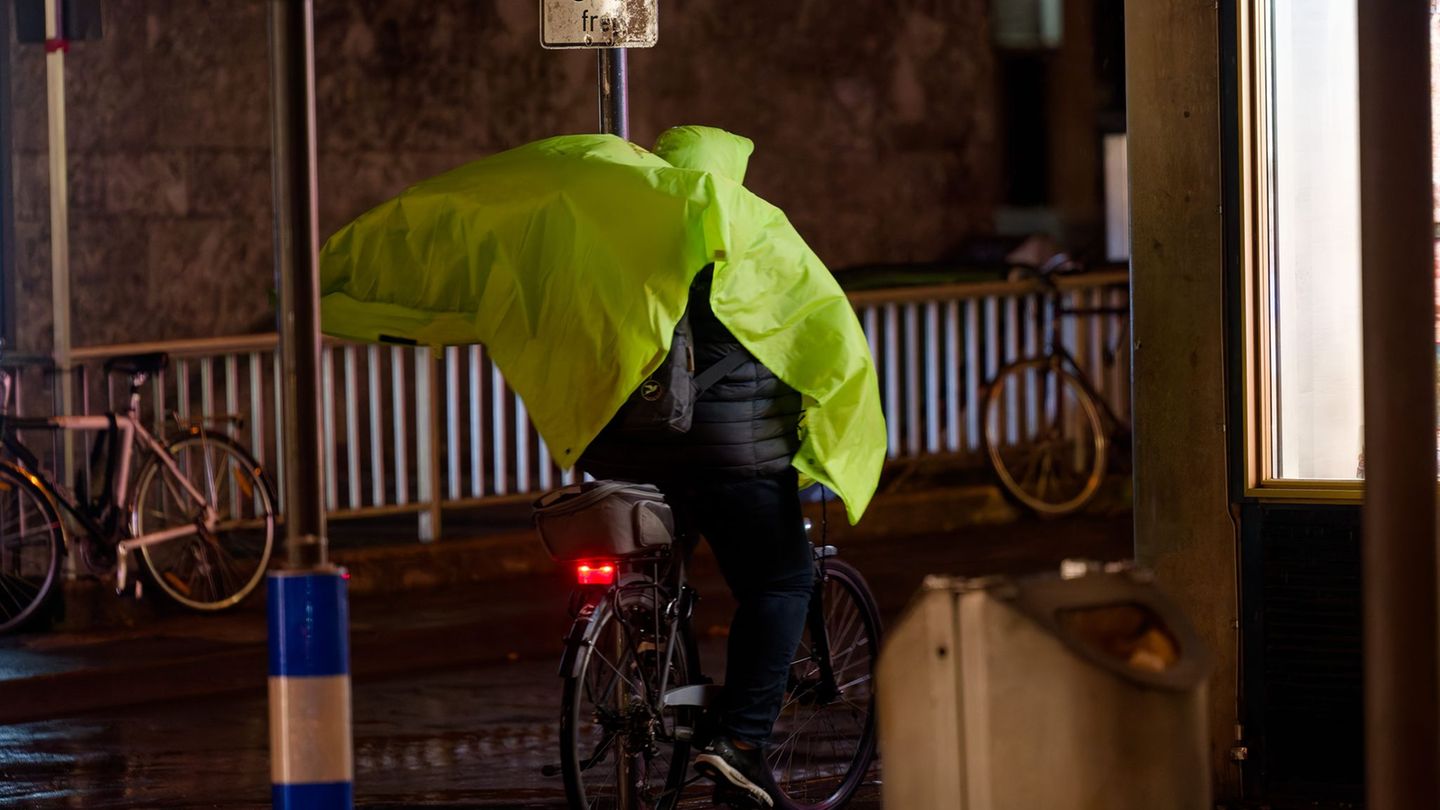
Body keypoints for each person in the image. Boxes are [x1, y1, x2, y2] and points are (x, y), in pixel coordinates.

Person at [318, 123, 885, 805]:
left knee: (672, 567)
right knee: (781, 582)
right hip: (732, 459)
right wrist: (829, 434)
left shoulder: (615, 242)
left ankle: (661, 675)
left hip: (624, 447)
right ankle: (738, 743)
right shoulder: (751, 233)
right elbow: (824, 340)